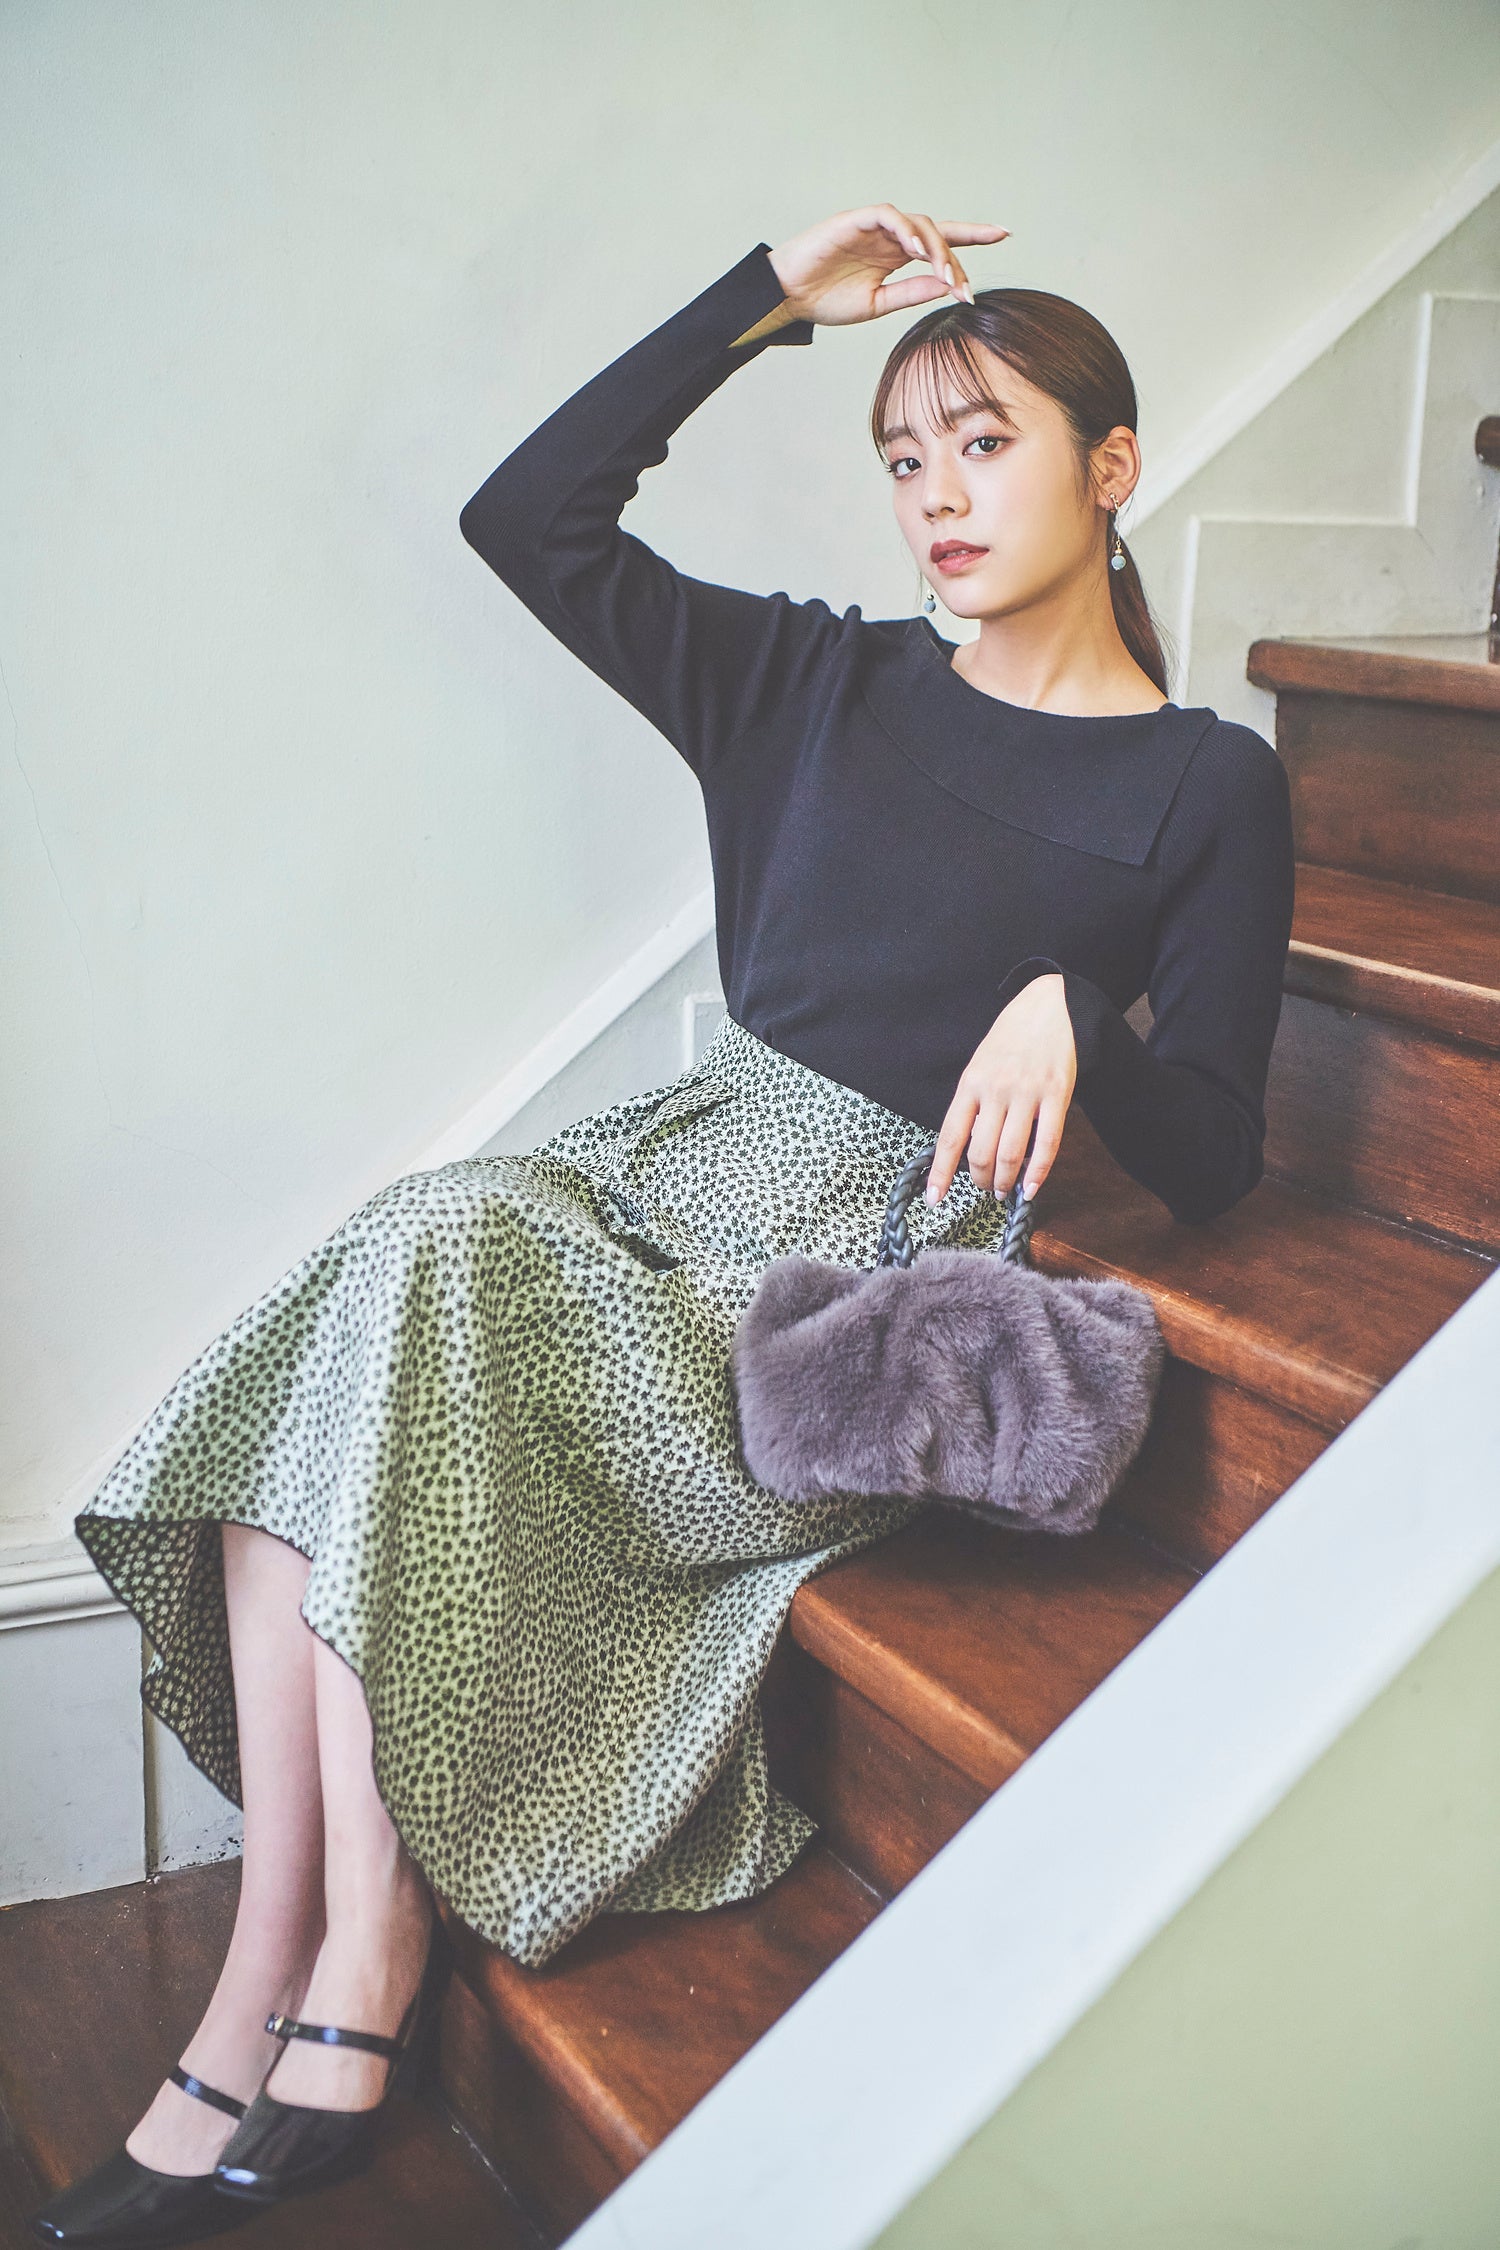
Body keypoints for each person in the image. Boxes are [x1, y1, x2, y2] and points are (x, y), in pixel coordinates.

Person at [34, 203, 1295, 2246]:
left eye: (986, 443)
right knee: (382, 1288)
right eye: (905, 455)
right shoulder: (815, 682)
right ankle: (286, 1959)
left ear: (1113, 465)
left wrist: (1085, 1011)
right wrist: (767, 297)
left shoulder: (1207, 785)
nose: (937, 494)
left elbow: (1223, 1148)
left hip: (833, 1294)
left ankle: (341, 1963)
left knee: (424, 1249)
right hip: (650, 1187)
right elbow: (527, 518)